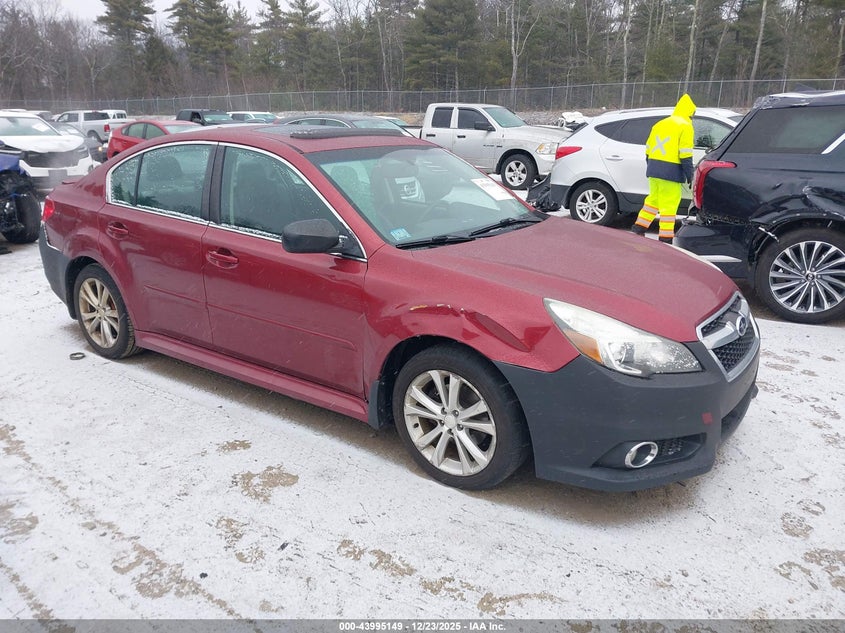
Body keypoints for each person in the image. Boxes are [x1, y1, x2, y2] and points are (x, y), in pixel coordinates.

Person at [631, 93, 696, 243]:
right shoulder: (686, 126)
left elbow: (648, 149)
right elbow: (685, 154)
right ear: (690, 112)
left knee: (653, 200)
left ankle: (639, 227)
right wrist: (689, 175)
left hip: (654, 169)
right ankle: (665, 238)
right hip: (671, 172)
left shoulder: (660, 124)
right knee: (669, 206)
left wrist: (652, 167)